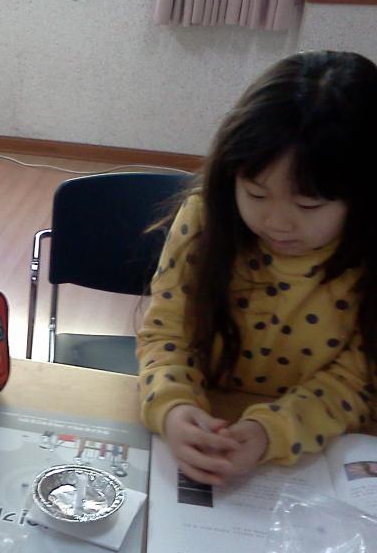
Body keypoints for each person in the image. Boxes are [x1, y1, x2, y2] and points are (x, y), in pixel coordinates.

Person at [137, 51, 377, 485]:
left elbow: (357, 381)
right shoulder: (206, 221)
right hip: (211, 414)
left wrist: (270, 432)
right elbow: (167, 332)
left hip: (312, 450)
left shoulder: (363, 257)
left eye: (308, 205)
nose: (277, 223)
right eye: (256, 194)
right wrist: (173, 405)